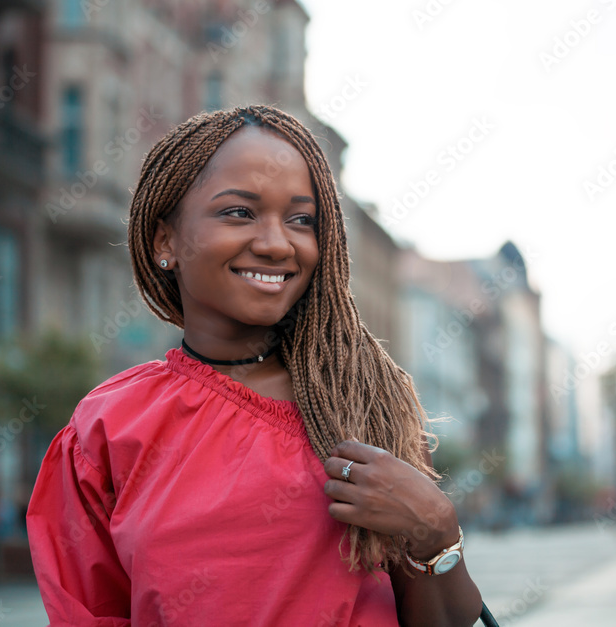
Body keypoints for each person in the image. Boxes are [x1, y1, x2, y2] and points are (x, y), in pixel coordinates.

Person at [26, 105, 484, 626]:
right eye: (239, 212)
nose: (275, 243)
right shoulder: (108, 429)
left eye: (301, 220)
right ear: (165, 241)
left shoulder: (362, 406)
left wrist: (437, 531)